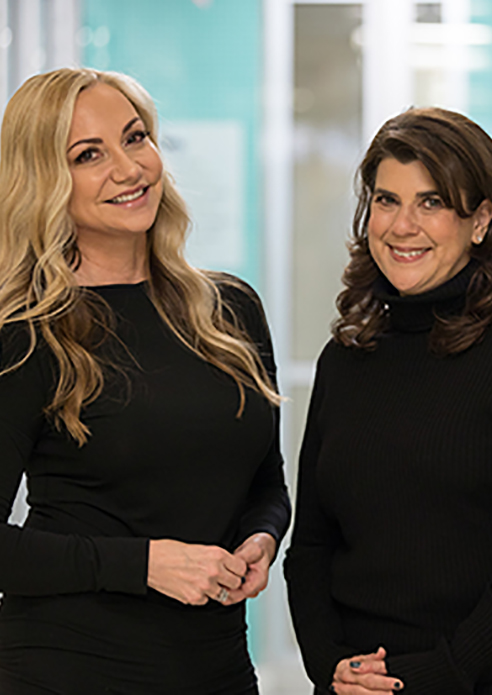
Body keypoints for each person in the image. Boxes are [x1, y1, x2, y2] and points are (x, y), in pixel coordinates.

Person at [0, 68, 290, 694]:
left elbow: (267, 479)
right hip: (69, 668)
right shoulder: (27, 334)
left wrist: (261, 537)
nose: (129, 169)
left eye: (136, 138)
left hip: (215, 667)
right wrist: (145, 564)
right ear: (46, 179)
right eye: (88, 155)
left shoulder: (230, 309)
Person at [285, 107, 492, 695]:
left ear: (481, 219)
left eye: (432, 203)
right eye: (387, 201)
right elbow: (310, 542)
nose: (402, 225)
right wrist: (329, 665)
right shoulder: (345, 359)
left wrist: (439, 673)